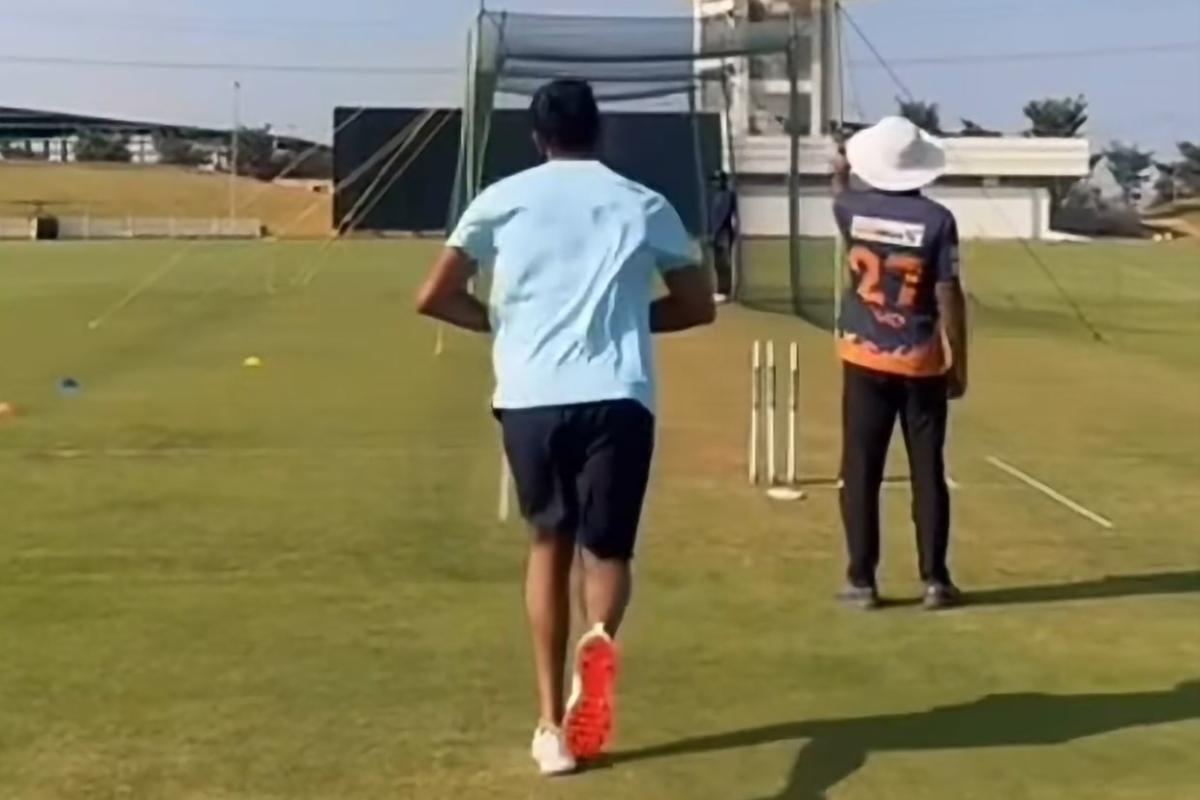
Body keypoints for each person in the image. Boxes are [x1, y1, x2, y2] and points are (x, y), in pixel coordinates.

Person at [415, 79, 715, 775]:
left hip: (531, 396)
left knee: (548, 542)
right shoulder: (643, 202)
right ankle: (600, 637)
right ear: (598, 130)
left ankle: (551, 725)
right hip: (618, 395)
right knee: (607, 552)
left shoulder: (502, 198)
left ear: (537, 136)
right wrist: (631, 322)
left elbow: (433, 296)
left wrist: (506, 326)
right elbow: (698, 306)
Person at [830, 116, 969, 611]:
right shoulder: (938, 221)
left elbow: (839, 190)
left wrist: (841, 164)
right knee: (927, 470)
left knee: (861, 468)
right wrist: (960, 362)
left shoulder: (850, 209)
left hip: (863, 354)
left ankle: (861, 580)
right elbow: (948, 292)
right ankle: (935, 580)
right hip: (920, 359)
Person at [708, 170, 739, 303]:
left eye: (716, 180)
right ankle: (720, 289)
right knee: (718, 263)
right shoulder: (717, 196)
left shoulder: (727, 195)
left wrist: (715, 233)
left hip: (724, 234)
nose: (714, 183)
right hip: (717, 233)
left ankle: (725, 291)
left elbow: (724, 216)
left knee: (723, 262)